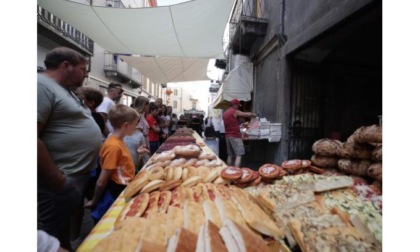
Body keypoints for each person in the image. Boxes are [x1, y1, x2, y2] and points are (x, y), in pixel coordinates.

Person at [38, 47, 103, 250]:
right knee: (53, 238)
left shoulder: (64, 89)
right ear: (66, 66)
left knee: (62, 229)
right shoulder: (40, 85)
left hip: (76, 175)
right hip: (59, 179)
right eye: (83, 69)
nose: (86, 74)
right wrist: (57, 180)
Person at [85, 104, 140, 222]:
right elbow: (102, 180)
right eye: (135, 124)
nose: (136, 127)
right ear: (126, 125)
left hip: (122, 186)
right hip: (116, 190)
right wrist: (95, 200)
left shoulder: (117, 141)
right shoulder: (114, 146)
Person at [222, 99, 257, 167]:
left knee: (230, 155)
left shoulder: (225, 113)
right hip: (235, 136)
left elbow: (232, 121)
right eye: (238, 105)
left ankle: (229, 170)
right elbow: (245, 114)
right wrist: (253, 114)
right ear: (235, 105)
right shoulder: (234, 111)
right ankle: (237, 171)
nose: (238, 107)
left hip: (227, 136)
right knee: (239, 155)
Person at [123, 96, 150, 172]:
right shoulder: (137, 115)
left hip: (141, 141)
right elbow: (136, 131)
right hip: (138, 143)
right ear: (144, 105)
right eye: (147, 105)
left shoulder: (142, 115)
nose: (148, 107)